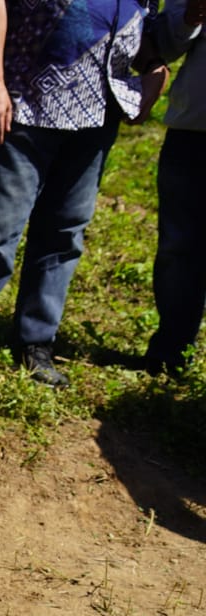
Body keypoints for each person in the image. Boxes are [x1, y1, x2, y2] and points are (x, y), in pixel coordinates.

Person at [0, 0, 168, 394]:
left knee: (65, 232)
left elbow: (143, 25)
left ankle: (35, 341)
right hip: (25, 102)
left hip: (99, 111)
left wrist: (154, 68)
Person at [144, 0, 205, 375]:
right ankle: (171, 352)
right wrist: (191, 16)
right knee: (179, 250)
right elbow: (161, 46)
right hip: (195, 132)